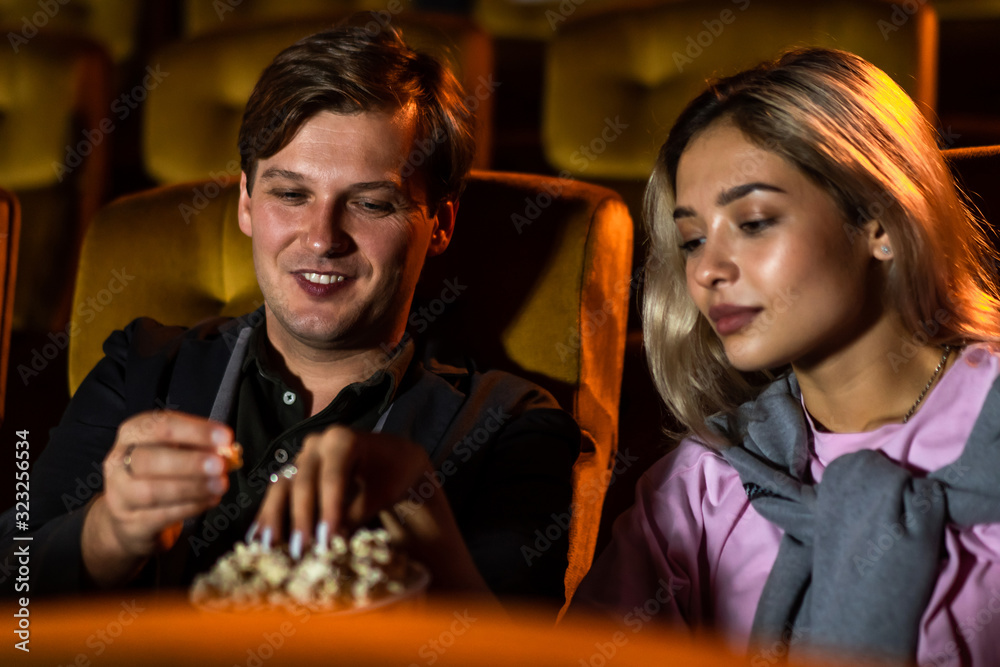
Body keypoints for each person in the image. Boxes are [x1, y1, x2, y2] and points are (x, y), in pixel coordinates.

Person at [1, 23, 579, 609]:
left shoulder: (511, 424)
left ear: (442, 224)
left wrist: (420, 514)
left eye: (371, 203)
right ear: (247, 204)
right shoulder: (142, 365)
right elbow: (11, 591)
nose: (323, 238)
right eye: (291, 195)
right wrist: (107, 534)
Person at [573, 47, 1000, 665]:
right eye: (692, 239)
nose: (709, 270)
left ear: (879, 222)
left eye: (753, 222)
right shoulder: (701, 485)